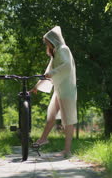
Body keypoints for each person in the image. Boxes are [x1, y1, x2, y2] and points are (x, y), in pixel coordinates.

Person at [30, 26, 77, 158]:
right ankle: (43, 138)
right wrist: (36, 86)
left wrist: (52, 73)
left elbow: (66, 66)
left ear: (53, 39)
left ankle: (67, 151)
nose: (46, 44)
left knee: (68, 119)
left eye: (47, 41)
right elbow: (47, 72)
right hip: (59, 89)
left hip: (67, 89)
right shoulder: (56, 51)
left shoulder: (63, 49)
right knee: (51, 115)